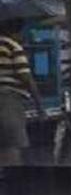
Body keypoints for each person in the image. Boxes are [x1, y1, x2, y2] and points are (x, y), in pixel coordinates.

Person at [0, 20, 47, 167]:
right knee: (12, 143)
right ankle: (12, 182)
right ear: (16, 32)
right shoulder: (13, 46)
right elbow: (25, 77)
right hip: (7, 100)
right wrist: (40, 105)